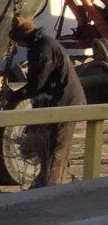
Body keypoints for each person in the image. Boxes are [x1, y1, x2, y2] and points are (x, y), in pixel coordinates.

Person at [11, 15, 86, 187]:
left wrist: (15, 96)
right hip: (59, 101)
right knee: (50, 144)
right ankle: (48, 181)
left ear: (23, 38)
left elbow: (37, 83)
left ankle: (51, 187)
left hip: (65, 102)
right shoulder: (43, 44)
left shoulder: (43, 47)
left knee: (57, 147)